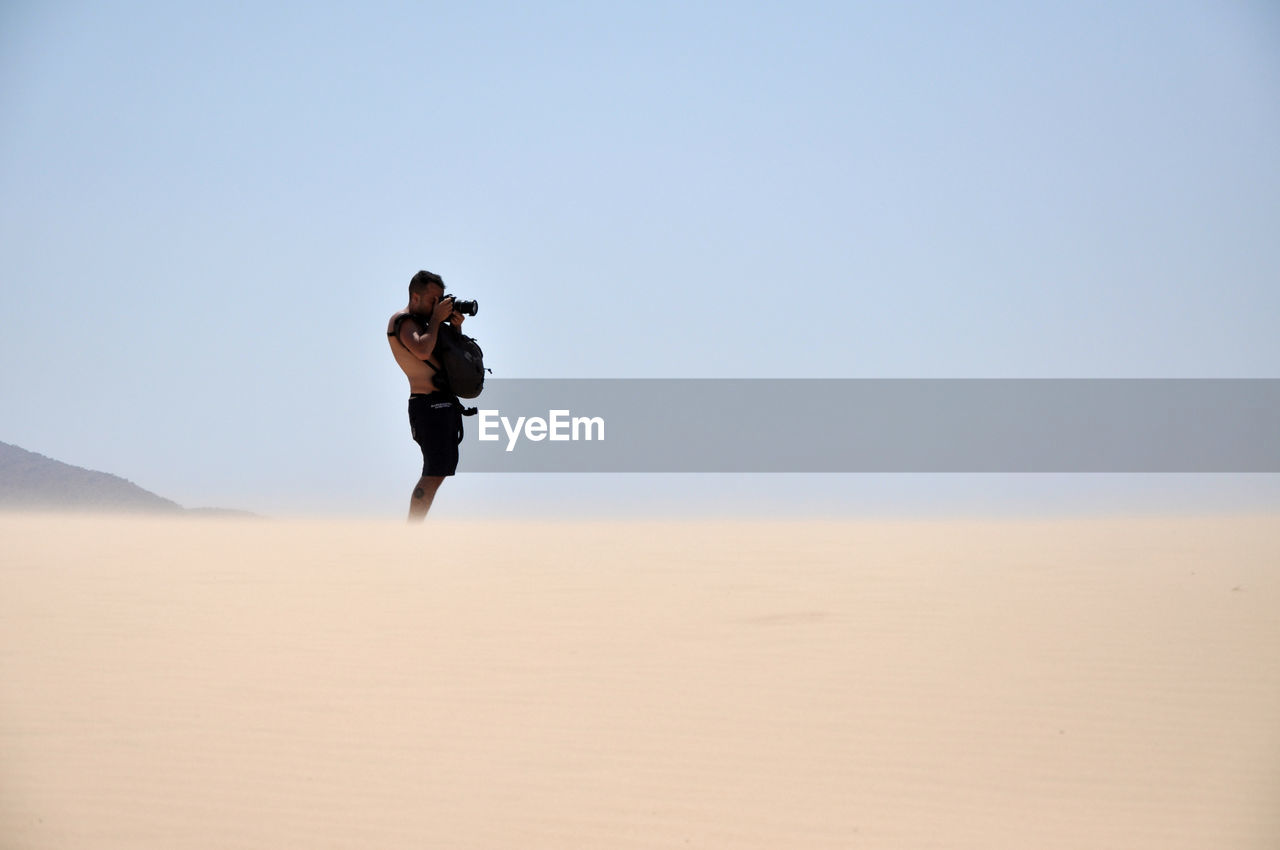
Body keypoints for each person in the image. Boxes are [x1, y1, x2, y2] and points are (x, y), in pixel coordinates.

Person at [387, 270, 468, 522]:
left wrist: (455, 328)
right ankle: (413, 529)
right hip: (427, 405)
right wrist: (435, 321)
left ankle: (415, 527)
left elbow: (445, 356)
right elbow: (422, 350)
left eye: (440, 300)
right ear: (415, 296)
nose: (437, 305)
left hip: (442, 406)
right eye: (433, 300)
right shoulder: (403, 322)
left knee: (440, 470)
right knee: (433, 472)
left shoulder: (427, 325)